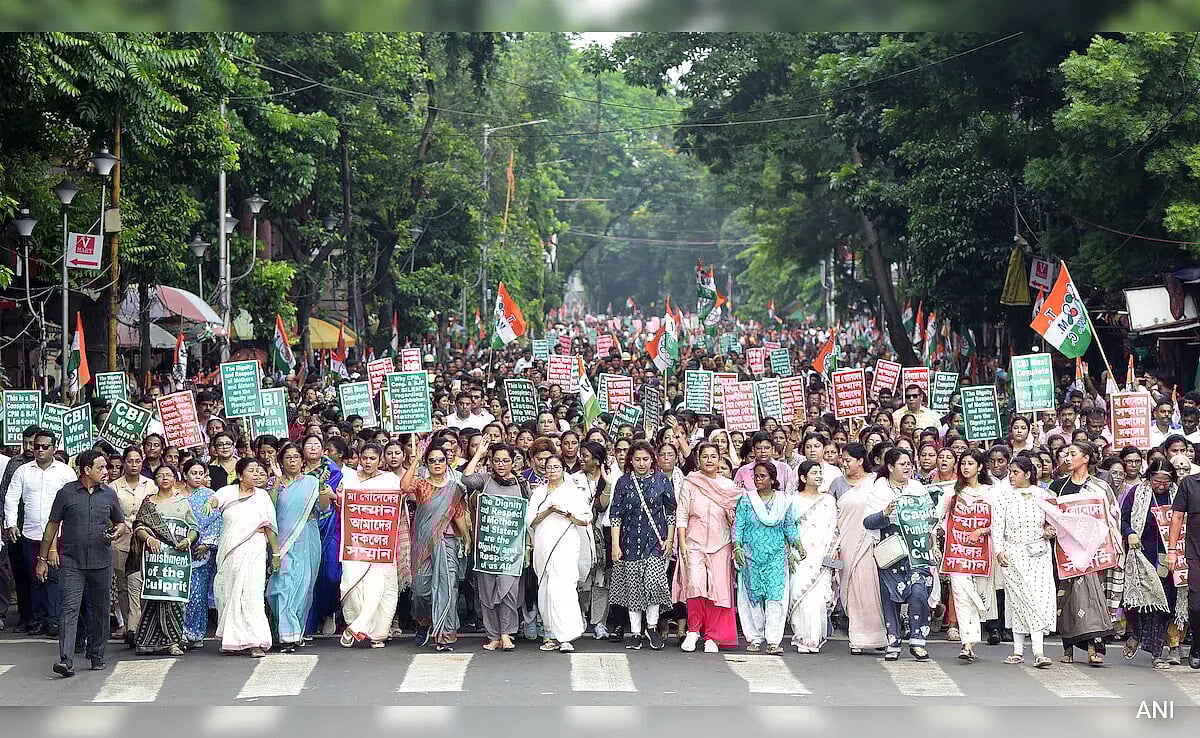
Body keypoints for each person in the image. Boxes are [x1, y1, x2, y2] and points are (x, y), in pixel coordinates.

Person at [35, 450, 126, 677]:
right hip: (71, 562)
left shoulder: (109, 494)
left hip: (101, 562)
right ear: (86, 471)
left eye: (106, 468)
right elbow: (52, 527)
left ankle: (97, 655)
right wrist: (42, 559)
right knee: (69, 610)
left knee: (100, 610)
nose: (106, 472)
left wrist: (117, 532)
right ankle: (66, 660)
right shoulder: (66, 493)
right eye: (101, 468)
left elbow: (121, 522)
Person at [1048, 441, 1122, 666]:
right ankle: (1068, 648)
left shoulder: (1100, 487)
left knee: (1092, 599)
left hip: (1093, 553)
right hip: (1066, 552)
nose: (1067, 458)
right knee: (1067, 599)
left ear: (1086, 458)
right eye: (1065, 455)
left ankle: (1093, 648)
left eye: (1072, 454)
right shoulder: (1058, 486)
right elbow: (1049, 516)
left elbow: (1112, 516)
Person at [864, 447, 938, 661]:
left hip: (917, 551)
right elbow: (868, 522)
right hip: (891, 553)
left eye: (909, 464)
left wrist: (933, 538)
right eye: (902, 464)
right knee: (890, 597)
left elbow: (931, 519)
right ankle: (893, 642)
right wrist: (885, 513)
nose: (907, 468)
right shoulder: (879, 489)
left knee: (919, 591)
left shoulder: (918, 488)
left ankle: (918, 641)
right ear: (889, 467)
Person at [4, 429, 77, 638]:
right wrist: (11, 524)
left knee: (54, 577)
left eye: (45, 446)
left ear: (54, 448)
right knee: (34, 578)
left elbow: (73, 499)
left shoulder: (65, 472)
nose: (40, 450)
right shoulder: (23, 471)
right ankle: (38, 619)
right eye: (36, 446)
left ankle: (54, 620)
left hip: (58, 535)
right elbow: (11, 497)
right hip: (31, 533)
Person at [206, 458, 280, 658]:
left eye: (258, 471)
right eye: (251, 471)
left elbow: (269, 527)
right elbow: (214, 500)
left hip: (254, 549)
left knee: (252, 595)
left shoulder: (263, 496)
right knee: (230, 595)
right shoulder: (228, 492)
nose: (256, 474)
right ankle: (232, 641)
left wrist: (276, 553)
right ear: (240, 475)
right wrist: (208, 503)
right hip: (230, 552)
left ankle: (255, 642)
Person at [404, 440, 471, 651]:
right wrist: (415, 460)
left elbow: (459, 514)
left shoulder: (454, 488)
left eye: (441, 460)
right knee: (421, 590)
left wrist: (467, 538)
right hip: (423, 545)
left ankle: (445, 635)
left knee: (447, 588)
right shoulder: (422, 485)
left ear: (447, 462)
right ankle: (424, 621)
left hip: (447, 542)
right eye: (432, 461)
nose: (437, 464)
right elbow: (405, 486)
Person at [609, 440, 676, 651]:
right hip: (629, 542)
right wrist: (615, 545)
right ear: (630, 460)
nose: (641, 463)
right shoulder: (623, 482)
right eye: (637, 459)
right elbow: (615, 515)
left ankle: (652, 626)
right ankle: (636, 632)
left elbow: (671, 512)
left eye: (645, 459)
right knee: (634, 587)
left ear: (652, 460)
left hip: (655, 541)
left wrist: (670, 539)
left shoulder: (662, 480)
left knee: (654, 584)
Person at [675, 442, 739, 653]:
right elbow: (682, 515)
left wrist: (732, 516)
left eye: (714, 456)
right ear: (698, 459)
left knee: (716, 590)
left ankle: (711, 635)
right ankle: (693, 631)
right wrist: (682, 544)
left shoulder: (728, 487)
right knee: (695, 585)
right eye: (705, 456)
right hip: (694, 542)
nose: (710, 460)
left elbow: (737, 519)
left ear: (720, 459)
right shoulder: (690, 483)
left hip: (721, 543)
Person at [128, 465, 199, 656]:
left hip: (176, 561)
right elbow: (139, 526)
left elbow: (194, 528)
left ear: (175, 479)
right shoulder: (149, 503)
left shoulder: (182, 502)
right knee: (155, 598)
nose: (164, 478)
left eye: (168, 475)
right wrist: (148, 538)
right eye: (160, 475)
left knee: (174, 600)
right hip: (154, 560)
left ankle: (173, 641)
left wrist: (187, 540)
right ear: (155, 480)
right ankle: (149, 641)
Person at [338, 443, 403, 649]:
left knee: (380, 587)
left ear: (380, 460)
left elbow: (394, 506)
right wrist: (333, 495)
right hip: (355, 542)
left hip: (380, 543)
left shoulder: (390, 480)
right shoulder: (348, 480)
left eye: (372, 458)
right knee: (351, 584)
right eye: (364, 458)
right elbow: (343, 505)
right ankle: (357, 624)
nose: (368, 462)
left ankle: (375, 633)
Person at [993, 456, 1055, 668]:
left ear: (1028, 474)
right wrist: (999, 550)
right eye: (1010, 472)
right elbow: (997, 526)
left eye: (1016, 472)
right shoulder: (1003, 496)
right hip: (1012, 553)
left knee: (1038, 600)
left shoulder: (1042, 495)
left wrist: (1049, 531)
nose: (1011, 476)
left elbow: (1053, 522)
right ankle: (1017, 650)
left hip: (1038, 553)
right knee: (1017, 601)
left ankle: (1039, 652)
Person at [464, 443, 527, 652]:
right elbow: (466, 478)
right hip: (488, 547)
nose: (501, 464)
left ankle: (507, 634)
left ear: (513, 462)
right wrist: (479, 454)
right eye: (497, 460)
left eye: (505, 460)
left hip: (511, 549)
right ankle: (493, 636)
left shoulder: (522, 483)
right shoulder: (484, 480)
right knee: (488, 592)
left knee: (508, 591)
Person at [527, 454, 593, 652]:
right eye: (549, 467)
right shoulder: (539, 493)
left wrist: (567, 513)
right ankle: (550, 634)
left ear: (563, 469)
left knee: (563, 588)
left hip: (565, 545)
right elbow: (531, 521)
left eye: (556, 467)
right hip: (543, 546)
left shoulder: (572, 492)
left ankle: (566, 636)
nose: (552, 470)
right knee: (546, 589)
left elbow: (585, 519)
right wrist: (548, 511)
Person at [734, 460, 800, 654]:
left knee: (775, 597)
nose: (757, 480)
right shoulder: (747, 500)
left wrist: (798, 544)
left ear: (773, 478)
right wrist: (736, 546)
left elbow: (789, 525)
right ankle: (755, 638)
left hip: (776, 556)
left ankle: (773, 640)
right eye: (755, 476)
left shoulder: (783, 500)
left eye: (762, 476)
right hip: (750, 555)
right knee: (752, 596)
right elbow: (738, 525)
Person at [1120, 459, 1179, 670]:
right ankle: (1136, 634)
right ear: (1149, 477)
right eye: (1157, 481)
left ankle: (1157, 654)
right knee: (1141, 604)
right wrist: (1130, 533)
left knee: (1162, 605)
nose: (1161, 486)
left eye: (1166, 481)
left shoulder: (1179, 493)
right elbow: (1123, 520)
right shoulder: (1136, 492)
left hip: (1169, 557)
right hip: (1142, 555)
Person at [940, 448, 996, 662]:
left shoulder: (992, 492)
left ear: (980, 467)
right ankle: (967, 644)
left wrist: (982, 530)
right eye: (963, 463)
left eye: (970, 463)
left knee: (978, 598)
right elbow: (938, 517)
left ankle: (973, 636)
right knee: (962, 596)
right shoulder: (952, 492)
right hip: (957, 553)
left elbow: (999, 523)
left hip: (982, 554)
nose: (965, 467)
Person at [268, 441, 325, 652]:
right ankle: (284, 631)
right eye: (288, 457)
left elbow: (324, 507)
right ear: (281, 461)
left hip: (307, 537)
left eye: (296, 457)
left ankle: (292, 634)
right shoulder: (275, 484)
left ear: (302, 461)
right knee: (280, 587)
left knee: (303, 585)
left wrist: (323, 490)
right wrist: (275, 480)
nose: (292, 461)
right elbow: (269, 507)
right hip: (281, 541)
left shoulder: (311, 482)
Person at [835, 443, 889, 653]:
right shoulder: (837, 483)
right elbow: (832, 514)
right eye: (843, 460)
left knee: (870, 589)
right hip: (846, 543)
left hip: (870, 542)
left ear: (860, 461)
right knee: (852, 590)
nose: (844, 463)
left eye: (848, 460)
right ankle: (856, 639)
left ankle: (877, 637)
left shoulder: (876, 482)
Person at [788, 459, 838, 653]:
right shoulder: (793, 500)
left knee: (818, 597)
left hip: (821, 554)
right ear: (803, 477)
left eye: (820, 472)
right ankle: (802, 637)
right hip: (799, 554)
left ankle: (814, 639)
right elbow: (788, 528)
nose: (818, 476)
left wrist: (833, 549)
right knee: (800, 594)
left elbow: (834, 528)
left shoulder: (828, 501)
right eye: (814, 473)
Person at [109, 446, 155, 643]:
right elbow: (109, 514)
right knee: (123, 584)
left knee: (142, 581)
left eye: (137, 461)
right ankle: (129, 625)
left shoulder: (151, 485)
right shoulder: (113, 487)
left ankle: (141, 625)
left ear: (142, 462)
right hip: (121, 539)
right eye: (130, 461)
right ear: (124, 463)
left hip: (145, 539)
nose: (134, 465)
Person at [301, 434, 343, 637]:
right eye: (308, 444)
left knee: (331, 574)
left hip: (330, 524)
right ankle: (309, 620)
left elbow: (335, 495)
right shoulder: (297, 470)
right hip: (303, 525)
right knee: (309, 575)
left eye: (317, 444)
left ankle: (330, 612)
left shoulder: (332, 470)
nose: (313, 447)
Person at [183, 459, 221, 649]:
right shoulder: (177, 495)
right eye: (193, 473)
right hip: (180, 551)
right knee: (182, 594)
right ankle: (180, 632)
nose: (197, 477)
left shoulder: (210, 496)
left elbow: (216, 521)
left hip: (201, 552)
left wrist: (207, 544)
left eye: (201, 473)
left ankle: (196, 633)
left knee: (198, 593)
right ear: (185, 475)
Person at [1167, 468, 1200, 669]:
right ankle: (1197, 645)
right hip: (1196, 553)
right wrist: (1172, 550)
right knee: (1196, 604)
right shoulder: (1189, 483)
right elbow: (1177, 517)